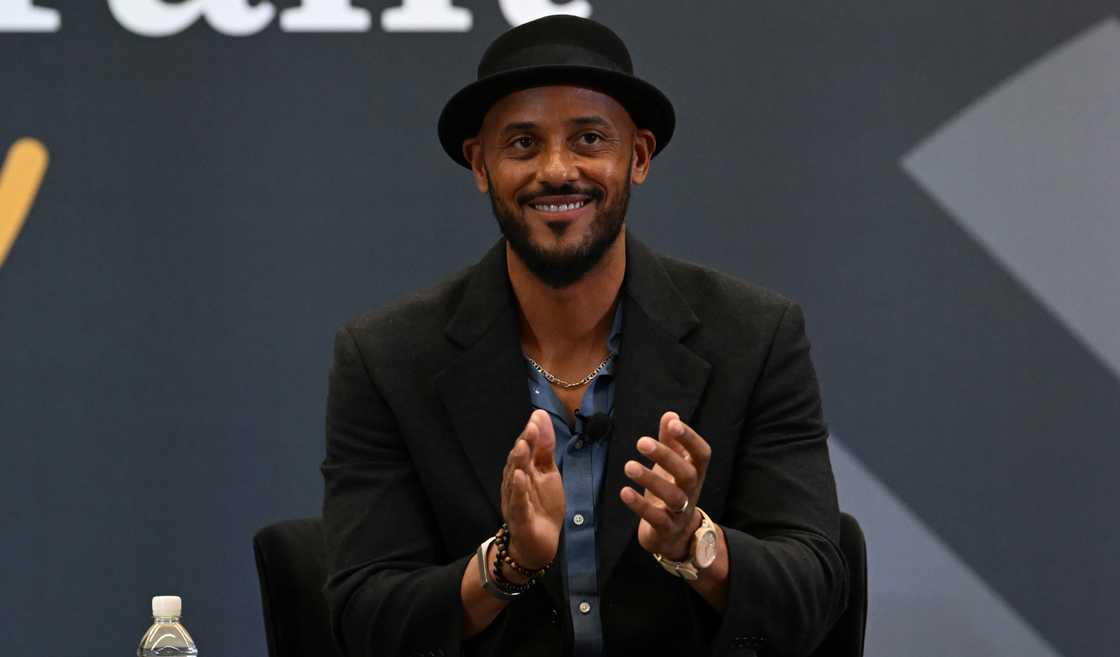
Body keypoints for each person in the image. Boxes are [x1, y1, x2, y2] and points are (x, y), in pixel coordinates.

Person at [322, 15, 848, 657]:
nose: (556, 170)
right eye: (522, 143)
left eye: (589, 139)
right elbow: (363, 617)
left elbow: (815, 590)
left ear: (638, 157)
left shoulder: (755, 337)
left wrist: (693, 543)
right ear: (480, 164)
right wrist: (507, 564)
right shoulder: (387, 359)